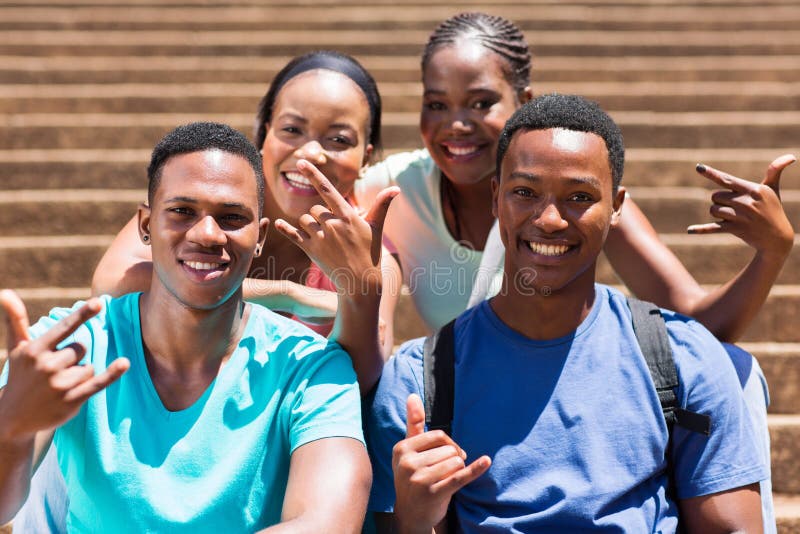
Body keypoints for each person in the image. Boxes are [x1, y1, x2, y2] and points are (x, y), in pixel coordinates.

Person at [365, 94, 767, 533]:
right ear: (496, 198)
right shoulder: (418, 383)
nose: (550, 219)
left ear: (616, 207)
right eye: (524, 192)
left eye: (579, 196)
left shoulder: (683, 358)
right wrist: (414, 519)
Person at [0, 122, 373, 531]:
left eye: (232, 217)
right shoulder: (70, 346)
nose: (208, 234)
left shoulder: (309, 366)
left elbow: (328, 522)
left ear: (260, 237)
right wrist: (12, 428)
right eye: (182, 211)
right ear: (145, 226)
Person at [355, 12, 795, 340]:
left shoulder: (579, 198)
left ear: (524, 101)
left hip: (566, 389)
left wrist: (771, 253)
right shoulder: (394, 190)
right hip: (469, 397)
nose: (455, 124)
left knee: (738, 374)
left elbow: (699, 324)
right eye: (436, 104)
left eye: (480, 102)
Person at [92, 50, 402, 367]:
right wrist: (286, 293)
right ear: (264, 133)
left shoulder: (371, 254)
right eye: (292, 130)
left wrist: (359, 293)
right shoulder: (206, 192)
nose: (310, 154)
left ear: (366, 158)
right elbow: (111, 281)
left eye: (338, 139)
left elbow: (368, 374)